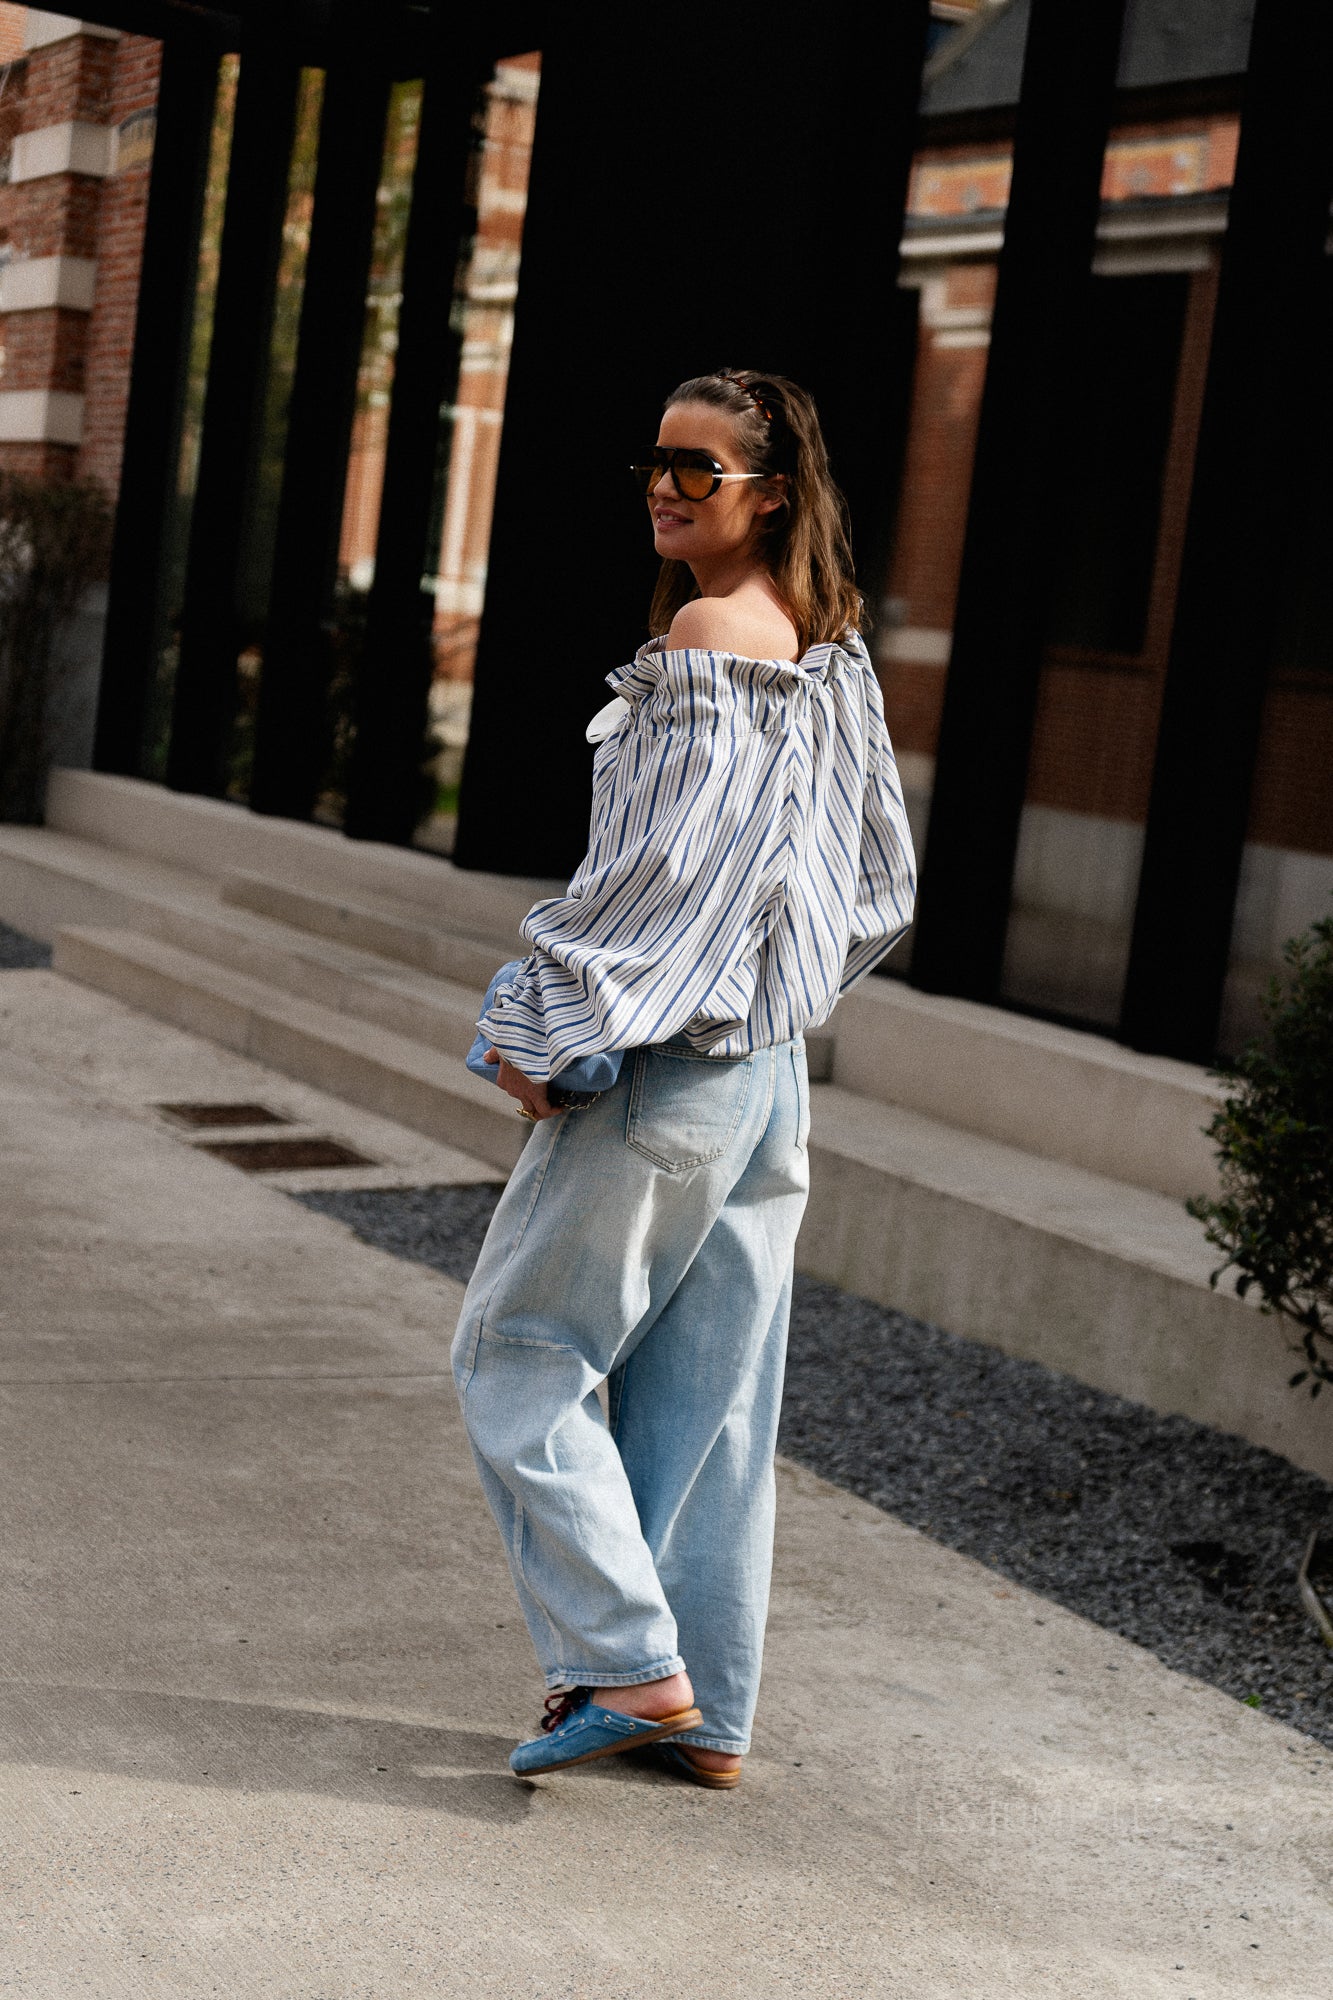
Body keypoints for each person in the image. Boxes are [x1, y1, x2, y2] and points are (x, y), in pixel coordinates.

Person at [451, 368, 916, 1788]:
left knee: (517, 1356)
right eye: (654, 463)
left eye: (697, 471)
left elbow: (653, 882)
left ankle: (623, 1665)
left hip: (666, 1070)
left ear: (770, 493)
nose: (664, 487)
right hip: (767, 1073)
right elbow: (879, 885)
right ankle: (702, 1715)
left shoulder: (712, 638)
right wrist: (773, 1000)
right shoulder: (825, 651)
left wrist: (545, 1023)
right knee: (710, 1405)